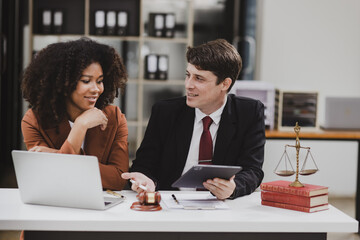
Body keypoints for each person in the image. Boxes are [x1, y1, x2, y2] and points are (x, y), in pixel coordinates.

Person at [122, 39, 265, 200]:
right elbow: (144, 165)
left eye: (199, 78)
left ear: (225, 84)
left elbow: (253, 170)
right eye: (188, 75)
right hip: (171, 202)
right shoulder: (165, 112)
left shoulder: (249, 112)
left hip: (221, 205)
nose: (188, 85)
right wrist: (145, 179)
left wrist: (234, 187)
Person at [21, 38, 129, 191]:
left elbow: (119, 179)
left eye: (100, 81)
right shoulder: (34, 121)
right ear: (63, 83)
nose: (96, 89)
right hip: (56, 203)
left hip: (103, 209)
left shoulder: (114, 118)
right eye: (86, 81)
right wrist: (80, 125)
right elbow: (48, 178)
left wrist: (56, 156)